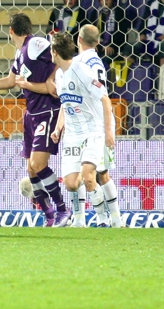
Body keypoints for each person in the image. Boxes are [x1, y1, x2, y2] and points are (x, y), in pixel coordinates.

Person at [0, 13, 70, 227]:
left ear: (10, 31)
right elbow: (11, 81)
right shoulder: (19, 53)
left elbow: (62, 55)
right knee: (31, 170)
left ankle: (62, 209)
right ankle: (48, 214)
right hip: (30, 113)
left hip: (47, 111)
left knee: (38, 164)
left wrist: (52, 79)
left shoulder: (35, 43)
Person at [49, 32, 115, 228]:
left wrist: (109, 131)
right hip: (72, 134)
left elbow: (104, 98)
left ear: (55, 52)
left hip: (92, 131)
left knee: (88, 176)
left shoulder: (83, 70)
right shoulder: (60, 75)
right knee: (71, 183)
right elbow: (65, 102)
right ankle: (80, 218)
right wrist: (58, 127)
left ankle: (103, 219)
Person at [71, 25, 123, 227]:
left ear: (79, 39)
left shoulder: (78, 62)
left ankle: (84, 219)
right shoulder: (99, 61)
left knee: (81, 170)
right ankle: (117, 220)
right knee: (103, 173)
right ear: (98, 42)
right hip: (106, 118)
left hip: (88, 121)